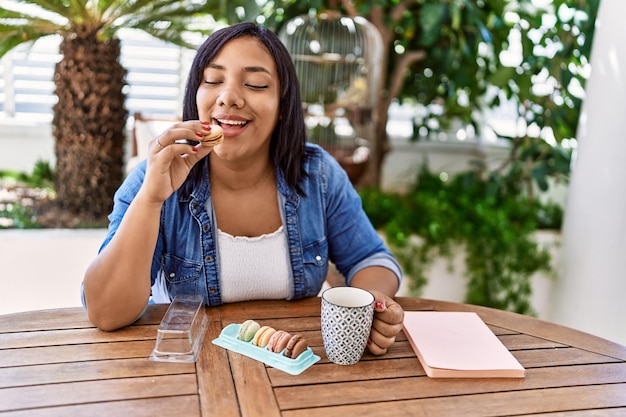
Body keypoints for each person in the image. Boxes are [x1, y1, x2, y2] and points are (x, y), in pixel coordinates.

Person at [82, 22, 404, 356]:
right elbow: (105, 312)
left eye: (255, 83)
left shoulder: (317, 174)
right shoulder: (154, 177)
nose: (229, 97)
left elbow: (371, 258)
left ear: (282, 106)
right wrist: (151, 198)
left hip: (301, 371)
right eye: (212, 80)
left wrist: (372, 306)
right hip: (189, 375)